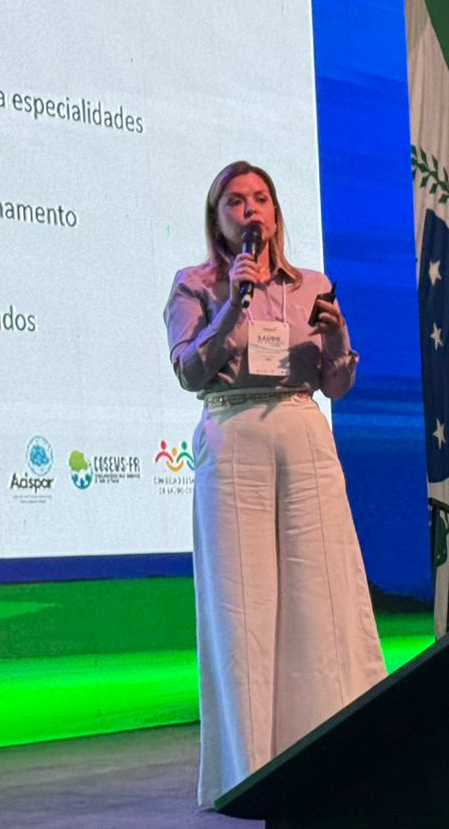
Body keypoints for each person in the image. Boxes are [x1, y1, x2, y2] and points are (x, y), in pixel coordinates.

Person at [163, 161, 386, 808]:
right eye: (236, 201)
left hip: (302, 433)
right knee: (244, 608)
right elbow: (189, 371)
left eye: (260, 199)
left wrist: (338, 341)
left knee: (322, 598)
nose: (250, 210)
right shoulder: (195, 285)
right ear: (217, 219)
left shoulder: (312, 284)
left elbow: (335, 383)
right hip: (233, 437)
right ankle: (249, 770)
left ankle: (335, 751)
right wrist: (235, 303)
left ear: (275, 212)